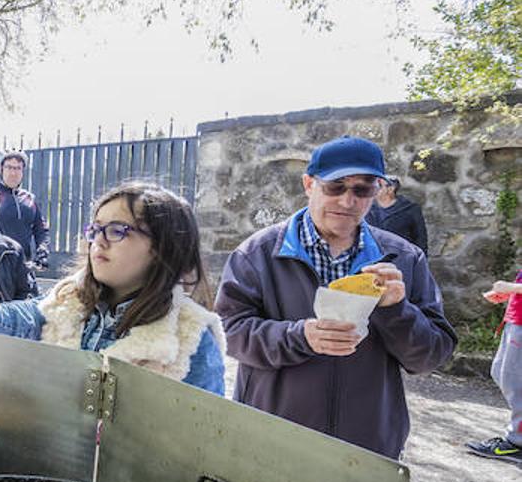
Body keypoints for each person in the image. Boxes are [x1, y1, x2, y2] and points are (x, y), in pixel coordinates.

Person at [215, 136, 456, 458]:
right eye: (335, 186)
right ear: (308, 184)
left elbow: (431, 355)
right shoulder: (257, 254)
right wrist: (298, 336)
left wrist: (397, 310)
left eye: (363, 189)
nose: (347, 201)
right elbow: (229, 333)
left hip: (366, 447)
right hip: (271, 439)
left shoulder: (404, 259)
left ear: (378, 190)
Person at [0, 182, 224, 393]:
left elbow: (201, 447)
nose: (98, 241)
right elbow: (0, 322)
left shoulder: (190, 339)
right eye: (96, 228)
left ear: (162, 247)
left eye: (117, 230)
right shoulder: (66, 303)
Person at [465, 270, 522, 464]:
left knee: (515, 383)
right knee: (500, 372)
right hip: (515, 319)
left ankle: (517, 443)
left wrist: (511, 287)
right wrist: (512, 293)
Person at [0, 150, 50, 271]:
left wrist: (42, 249)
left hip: (24, 264)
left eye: (18, 168)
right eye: (9, 167)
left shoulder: (29, 199)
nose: (13, 173)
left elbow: (40, 229)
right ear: (1, 170)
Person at [365, 175, 428, 251]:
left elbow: (421, 239)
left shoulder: (410, 209)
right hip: (373, 258)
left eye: (379, 186)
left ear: (391, 189)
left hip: (401, 258)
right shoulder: (367, 208)